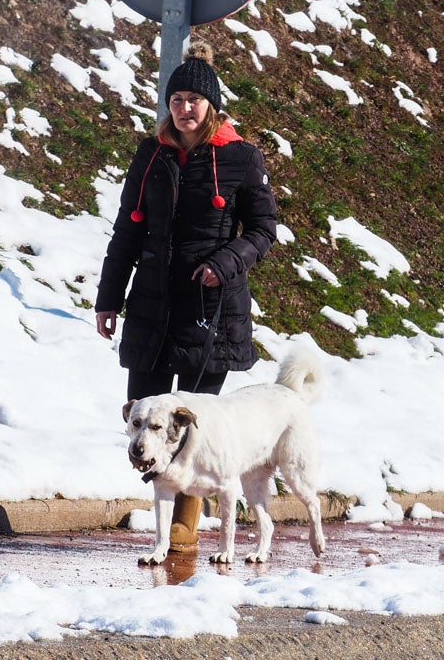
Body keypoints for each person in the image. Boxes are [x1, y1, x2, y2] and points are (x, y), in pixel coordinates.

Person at [95, 41, 278, 555]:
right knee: (147, 417)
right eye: (176, 98)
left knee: (195, 423)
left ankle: (185, 527)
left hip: (210, 308)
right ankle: (163, 522)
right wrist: (108, 298)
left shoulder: (241, 158)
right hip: (152, 303)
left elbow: (264, 230)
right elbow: (127, 230)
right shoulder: (150, 153)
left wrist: (223, 264)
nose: (184, 108)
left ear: (211, 105)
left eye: (194, 99)